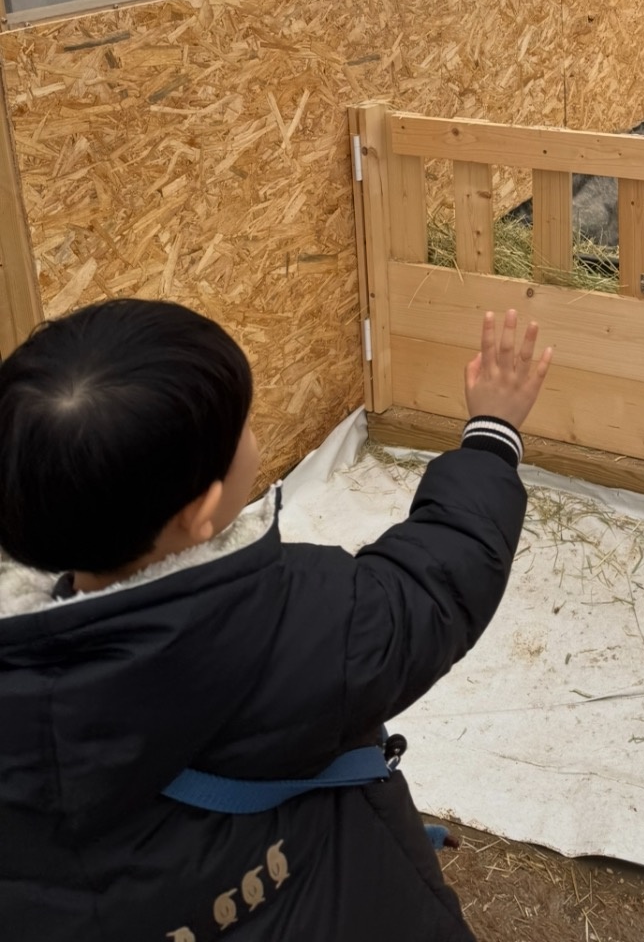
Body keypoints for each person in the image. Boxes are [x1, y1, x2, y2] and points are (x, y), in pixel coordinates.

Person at [0, 296, 551, 940]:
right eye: (244, 429)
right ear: (200, 513)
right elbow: (430, 587)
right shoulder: (298, 623)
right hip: (309, 898)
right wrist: (492, 435)